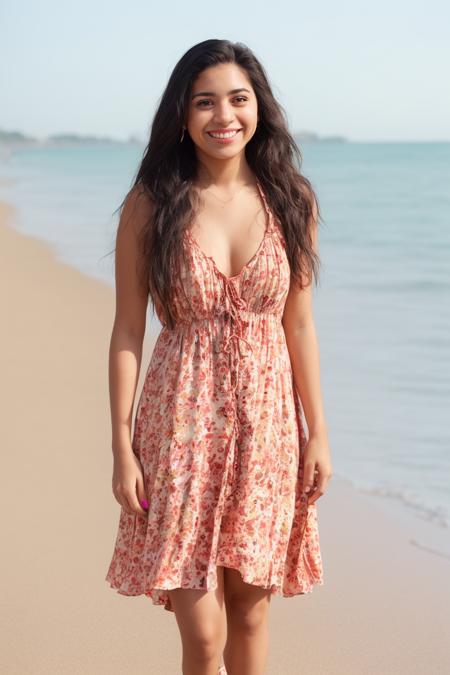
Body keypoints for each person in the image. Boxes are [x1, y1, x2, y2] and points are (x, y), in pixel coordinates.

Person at [105, 38, 333, 675]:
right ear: (182, 115)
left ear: (259, 107)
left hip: (267, 426)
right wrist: (122, 446)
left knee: (252, 614)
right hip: (180, 423)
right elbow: (127, 330)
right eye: (204, 102)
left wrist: (319, 434)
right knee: (203, 635)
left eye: (238, 98)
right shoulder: (151, 206)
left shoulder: (292, 202)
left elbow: (301, 324)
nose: (223, 116)